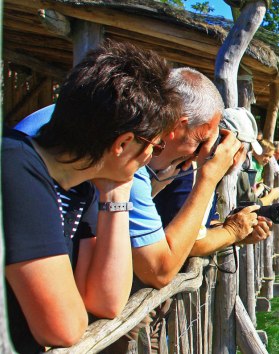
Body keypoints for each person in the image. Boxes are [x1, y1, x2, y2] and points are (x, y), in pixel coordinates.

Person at [2, 41, 181, 352]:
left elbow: (107, 300)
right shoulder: (16, 168)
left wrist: (118, 192)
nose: (152, 156)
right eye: (155, 145)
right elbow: (63, 328)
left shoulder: (84, 185)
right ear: (123, 143)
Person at [129, 68, 270, 286]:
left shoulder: (162, 167)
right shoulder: (181, 171)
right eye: (200, 139)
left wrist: (237, 230)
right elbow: (180, 248)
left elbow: (196, 227)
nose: (198, 151)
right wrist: (231, 232)